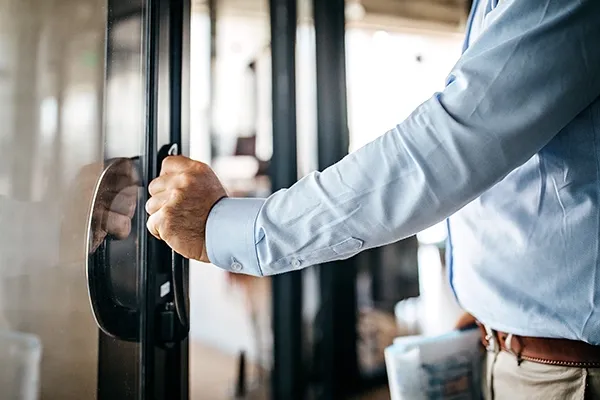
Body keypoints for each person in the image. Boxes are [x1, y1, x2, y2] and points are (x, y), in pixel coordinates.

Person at [145, 0, 600, 398]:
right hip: (514, 350)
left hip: (568, 373)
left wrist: (237, 230)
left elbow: (446, 148)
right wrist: (491, 311)